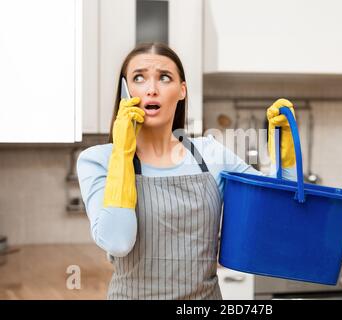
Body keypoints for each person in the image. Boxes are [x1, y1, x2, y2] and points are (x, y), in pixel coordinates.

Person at [77, 42, 298, 300]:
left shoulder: (211, 154)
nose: (151, 89)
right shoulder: (98, 161)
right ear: (125, 91)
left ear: (182, 90)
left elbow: (280, 211)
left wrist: (286, 159)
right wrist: (122, 155)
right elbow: (118, 241)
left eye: (164, 78)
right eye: (139, 78)